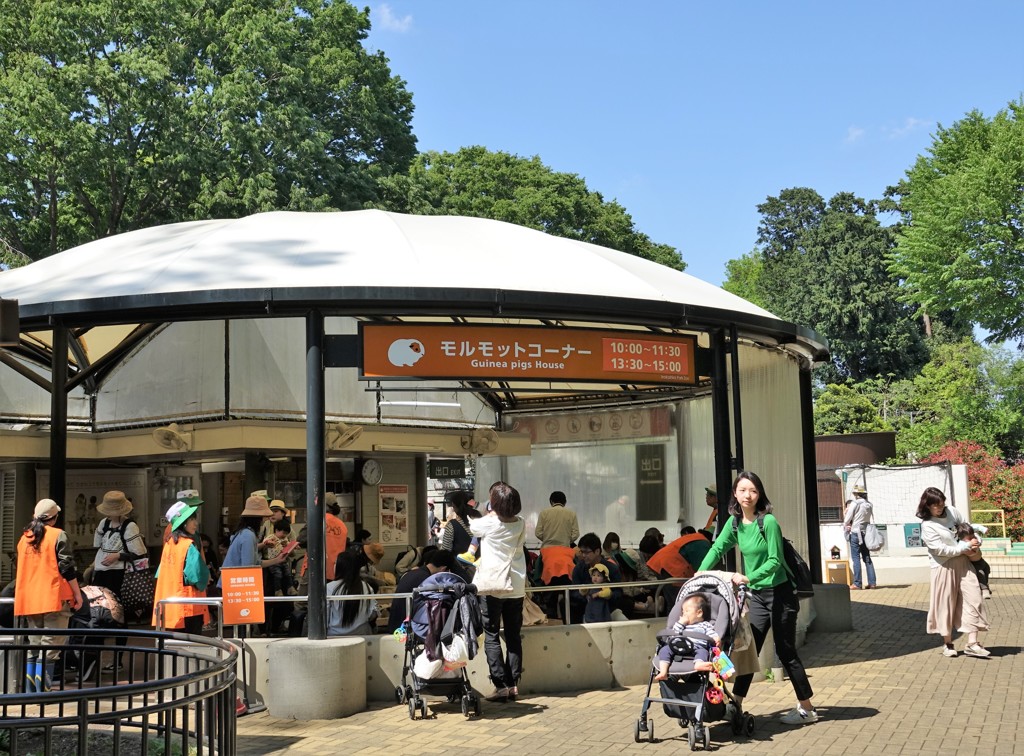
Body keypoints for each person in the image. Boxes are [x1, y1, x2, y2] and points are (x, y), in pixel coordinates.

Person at [697, 471, 818, 725]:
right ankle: (736, 704)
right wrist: (700, 573)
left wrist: (748, 578)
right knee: (747, 650)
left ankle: (807, 709)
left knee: (786, 652)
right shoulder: (734, 523)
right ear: (735, 494)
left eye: (752, 490)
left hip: (781, 594)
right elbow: (718, 547)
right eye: (742, 490)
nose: (747, 495)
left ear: (759, 494)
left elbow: (775, 561)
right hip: (758, 597)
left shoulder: (768, 522)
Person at [15, 499, 84, 692]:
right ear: (53, 518)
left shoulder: (24, 538)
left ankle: (30, 692)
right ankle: (43, 692)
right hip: (54, 597)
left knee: (34, 644)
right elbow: (67, 569)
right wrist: (77, 594)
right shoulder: (57, 535)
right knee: (52, 645)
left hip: (30, 599)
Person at [470, 482, 527, 703]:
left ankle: (501, 686)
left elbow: (472, 527)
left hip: (492, 585)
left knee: (492, 634)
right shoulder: (521, 524)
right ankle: (513, 685)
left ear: (494, 504)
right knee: (513, 635)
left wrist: (488, 511)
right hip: (516, 585)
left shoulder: (488, 523)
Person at [917, 487, 989, 658]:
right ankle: (948, 643)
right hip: (943, 566)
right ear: (927, 506)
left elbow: (967, 529)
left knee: (974, 598)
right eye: (936, 506)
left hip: (964, 563)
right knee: (945, 604)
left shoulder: (952, 512)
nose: (940, 508)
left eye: (942, 504)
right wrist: (962, 549)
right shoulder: (927, 525)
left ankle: (972, 643)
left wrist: (976, 540)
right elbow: (938, 550)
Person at [152, 499, 210, 634]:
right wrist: (206, 578)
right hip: (189, 605)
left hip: (170, 605)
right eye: (192, 520)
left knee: (173, 648)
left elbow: (159, 573)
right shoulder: (188, 545)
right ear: (183, 523)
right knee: (191, 647)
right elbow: (198, 577)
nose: (196, 523)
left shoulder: (169, 543)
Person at [91, 490, 149, 608]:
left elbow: (139, 553)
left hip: (120, 573)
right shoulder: (104, 523)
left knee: (117, 606)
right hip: (101, 571)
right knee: (100, 606)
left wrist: (118, 556)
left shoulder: (130, 526)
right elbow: (98, 545)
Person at [386, 548, 453, 633]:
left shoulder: (412, 573)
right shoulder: (426, 581)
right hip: (404, 631)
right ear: (443, 569)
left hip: (395, 625)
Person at [654, 592, 719, 681]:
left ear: (699, 613)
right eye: (682, 611)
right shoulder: (682, 625)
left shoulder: (705, 625)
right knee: (664, 650)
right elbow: (674, 633)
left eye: (687, 611)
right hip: (678, 646)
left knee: (703, 652)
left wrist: (716, 638)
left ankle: (699, 664)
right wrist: (681, 623)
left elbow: (711, 633)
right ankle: (663, 672)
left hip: (697, 647)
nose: (683, 614)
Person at [570, 532, 624, 623]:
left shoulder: (611, 568)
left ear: (597, 551)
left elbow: (618, 593)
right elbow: (573, 591)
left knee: (624, 622)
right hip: (586, 611)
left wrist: (608, 595)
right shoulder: (579, 568)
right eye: (582, 552)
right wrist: (585, 595)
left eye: (587, 552)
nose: (583, 555)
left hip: (609, 610)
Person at [326, 550, 380, 636]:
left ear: (340, 567)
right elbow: (373, 614)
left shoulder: (328, 588)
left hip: (334, 636)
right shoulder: (367, 587)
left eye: (335, 563)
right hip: (362, 635)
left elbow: (324, 617)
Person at [843, 484, 877, 590]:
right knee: (867, 558)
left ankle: (857, 583)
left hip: (856, 532)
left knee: (856, 558)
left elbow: (847, 519)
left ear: (856, 493)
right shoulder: (869, 504)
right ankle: (872, 583)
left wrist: (846, 520)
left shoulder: (855, 503)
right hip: (866, 532)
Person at [441, 491, 478, 577]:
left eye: (453, 506)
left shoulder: (452, 525)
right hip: (482, 570)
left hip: (461, 574)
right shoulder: (482, 523)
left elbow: (445, 552)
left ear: (455, 507)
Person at [954, 522, 992, 599]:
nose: (972, 538)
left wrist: (983, 529)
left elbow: (975, 526)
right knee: (980, 574)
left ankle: (985, 585)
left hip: (981, 560)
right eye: (969, 538)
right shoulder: (962, 543)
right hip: (975, 563)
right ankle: (984, 589)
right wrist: (970, 545)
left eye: (972, 535)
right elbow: (961, 548)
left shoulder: (973, 536)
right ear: (962, 538)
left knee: (987, 569)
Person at [263, 519, 294, 596]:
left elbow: (290, 545)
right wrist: (269, 542)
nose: (284, 535)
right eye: (283, 533)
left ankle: (290, 588)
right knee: (278, 574)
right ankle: (278, 590)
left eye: (286, 534)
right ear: (276, 530)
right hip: (273, 561)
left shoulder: (285, 539)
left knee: (288, 574)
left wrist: (293, 546)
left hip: (283, 560)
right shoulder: (272, 537)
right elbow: (265, 541)